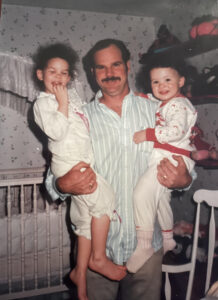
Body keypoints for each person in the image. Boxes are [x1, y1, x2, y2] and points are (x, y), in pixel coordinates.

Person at [45, 39, 193, 300]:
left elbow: (184, 161)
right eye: (100, 68)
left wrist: (183, 179)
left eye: (115, 64)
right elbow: (53, 176)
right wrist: (62, 184)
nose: (109, 73)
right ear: (93, 73)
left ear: (127, 65)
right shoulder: (79, 116)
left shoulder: (158, 111)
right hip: (96, 250)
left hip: (147, 247)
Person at [32, 42, 126, 300]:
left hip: (84, 159)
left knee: (84, 223)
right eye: (53, 72)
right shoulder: (43, 104)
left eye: (64, 73)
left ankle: (80, 277)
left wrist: (67, 101)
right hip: (70, 163)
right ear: (41, 74)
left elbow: (83, 125)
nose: (59, 78)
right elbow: (57, 132)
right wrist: (61, 102)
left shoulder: (73, 99)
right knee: (105, 197)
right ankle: (98, 257)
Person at [126, 55, 197, 273]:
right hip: (171, 155)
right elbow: (158, 103)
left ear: (181, 81)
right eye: (156, 82)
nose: (161, 86)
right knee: (161, 200)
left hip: (172, 156)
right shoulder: (169, 102)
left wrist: (148, 134)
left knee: (141, 194)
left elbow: (175, 131)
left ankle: (145, 246)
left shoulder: (178, 105)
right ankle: (168, 238)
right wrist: (144, 97)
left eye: (167, 80)